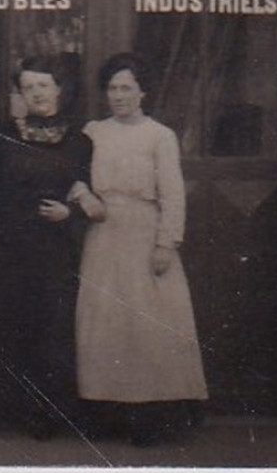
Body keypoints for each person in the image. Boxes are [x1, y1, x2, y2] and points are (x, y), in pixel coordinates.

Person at [0, 55, 106, 440]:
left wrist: (70, 213)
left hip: (53, 247)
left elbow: (89, 191)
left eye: (43, 85)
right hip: (4, 245)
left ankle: (46, 416)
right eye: (28, 87)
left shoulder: (80, 141)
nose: (37, 94)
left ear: (59, 89)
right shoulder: (1, 134)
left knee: (50, 330)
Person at [76, 53, 208, 446]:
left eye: (127, 88)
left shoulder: (159, 136)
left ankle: (152, 415)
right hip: (102, 234)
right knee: (105, 323)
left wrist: (166, 242)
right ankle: (109, 412)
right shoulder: (92, 132)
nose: (119, 96)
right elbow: (72, 176)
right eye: (113, 88)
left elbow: (173, 195)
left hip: (144, 233)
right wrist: (85, 198)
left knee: (147, 326)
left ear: (142, 91)